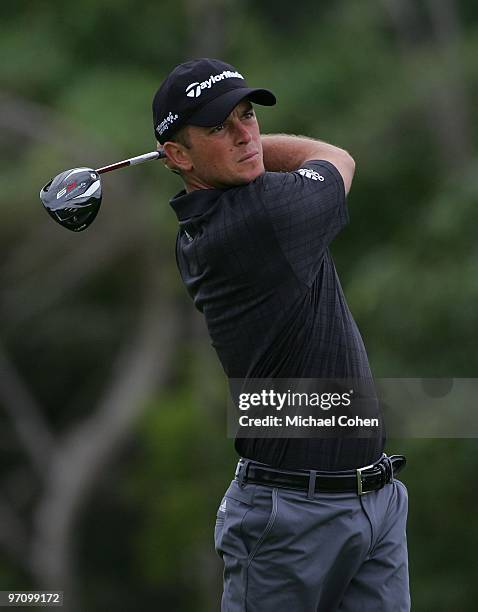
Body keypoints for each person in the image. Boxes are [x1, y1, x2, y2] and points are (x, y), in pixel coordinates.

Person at [152, 58, 410, 612]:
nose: (247, 134)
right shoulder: (263, 219)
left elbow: (266, 161)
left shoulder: (213, 218)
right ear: (176, 155)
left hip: (376, 500)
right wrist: (259, 153)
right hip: (289, 520)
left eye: (248, 116)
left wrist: (230, 149)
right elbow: (336, 159)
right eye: (220, 127)